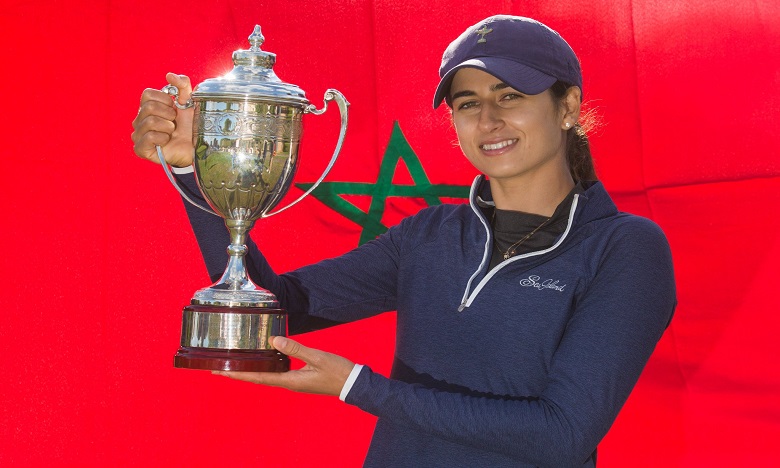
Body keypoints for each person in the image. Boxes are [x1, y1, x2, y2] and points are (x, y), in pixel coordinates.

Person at [132, 15, 675, 467]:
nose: (488, 119)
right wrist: (194, 170)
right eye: (467, 103)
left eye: (510, 96)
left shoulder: (625, 248)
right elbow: (276, 312)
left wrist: (359, 387)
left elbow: (562, 434)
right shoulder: (430, 233)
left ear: (568, 107)